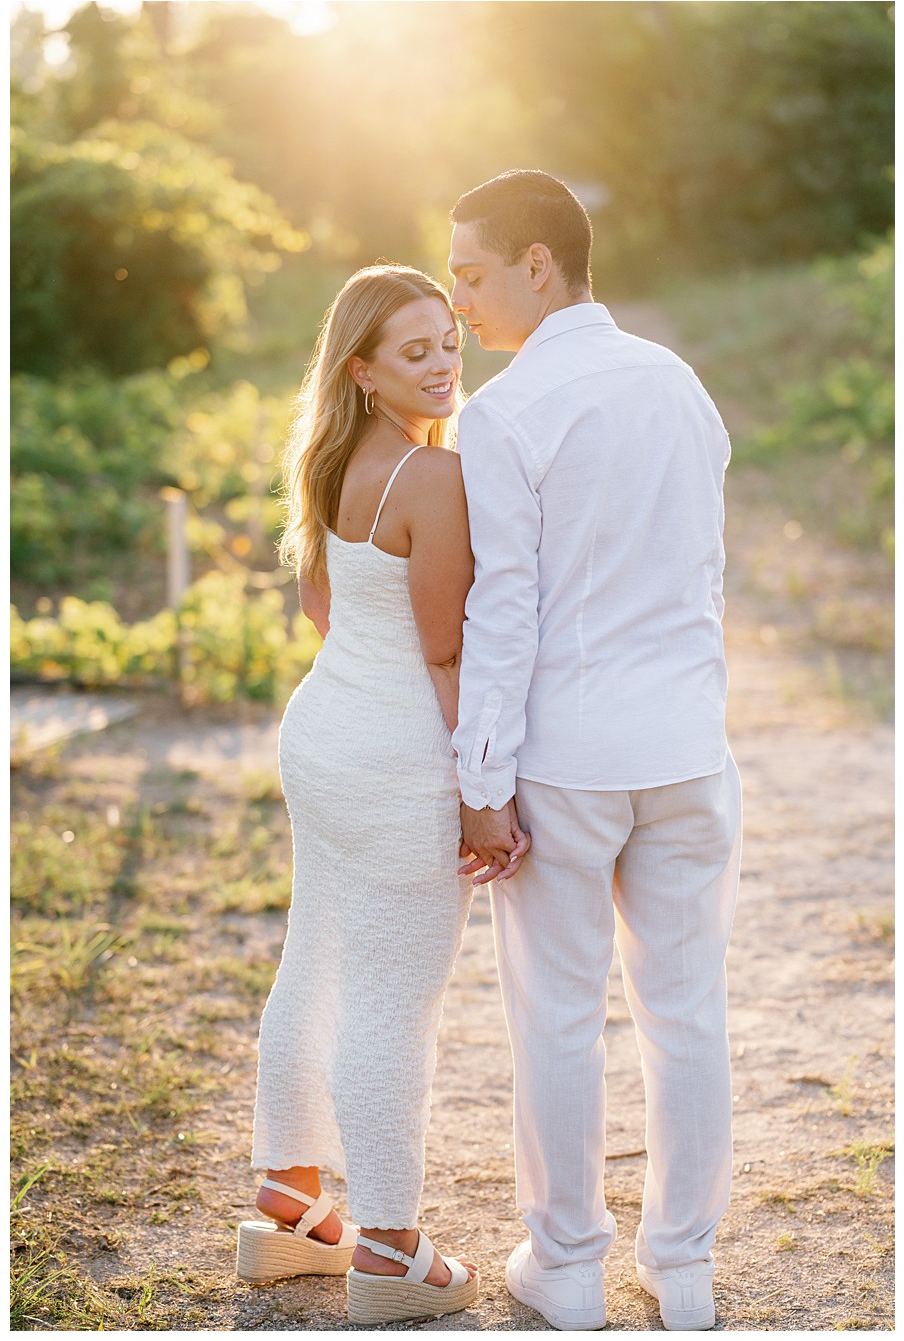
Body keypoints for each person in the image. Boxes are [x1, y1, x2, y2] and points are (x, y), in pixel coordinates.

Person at [446, 169, 739, 1332]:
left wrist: (480, 784)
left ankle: (567, 1268)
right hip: (687, 750)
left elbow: (501, 609)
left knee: (560, 1015)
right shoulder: (681, 385)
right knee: (689, 1015)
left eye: (473, 274)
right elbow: (704, 575)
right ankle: (686, 1267)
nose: (461, 300)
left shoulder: (505, 412)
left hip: (569, 758)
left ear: (537, 264)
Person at [242, 264, 517, 1324]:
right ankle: (393, 1252)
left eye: (449, 340)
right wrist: (479, 795)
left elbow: (325, 609)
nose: (445, 363)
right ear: (363, 369)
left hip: (322, 734)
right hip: (397, 754)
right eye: (416, 352)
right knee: (395, 1004)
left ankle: (289, 1205)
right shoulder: (431, 481)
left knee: (313, 956)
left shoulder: (326, 460)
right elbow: (446, 655)